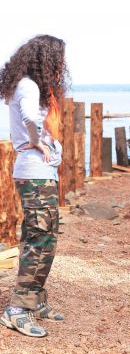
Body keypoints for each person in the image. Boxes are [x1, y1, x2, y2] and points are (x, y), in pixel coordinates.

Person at [0, 35, 68, 337]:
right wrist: (37, 140)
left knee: (45, 236)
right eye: (59, 60)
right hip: (34, 173)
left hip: (42, 174)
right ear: (46, 59)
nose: (62, 66)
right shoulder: (28, 85)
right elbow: (29, 116)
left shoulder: (31, 85)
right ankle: (16, 309)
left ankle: (36, 298)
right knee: (40, 237)